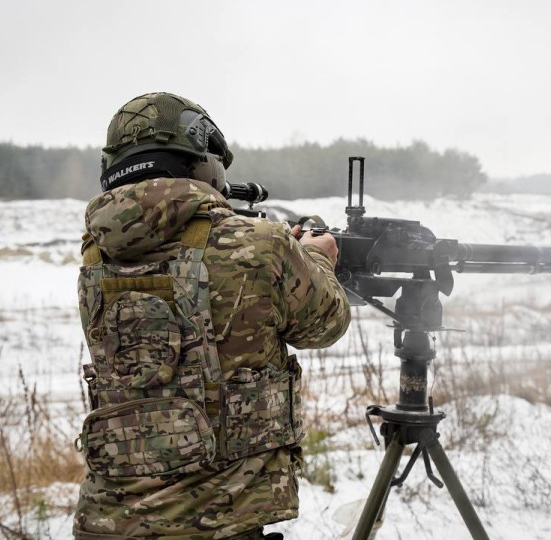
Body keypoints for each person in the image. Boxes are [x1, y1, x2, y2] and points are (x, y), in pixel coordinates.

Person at [73, 92, 350, 540]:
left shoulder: (96, 254)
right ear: (203, 161)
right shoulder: (260, 244)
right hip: (219, 519)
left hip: (108, 521)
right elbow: (326, 323)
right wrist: (316, 259)